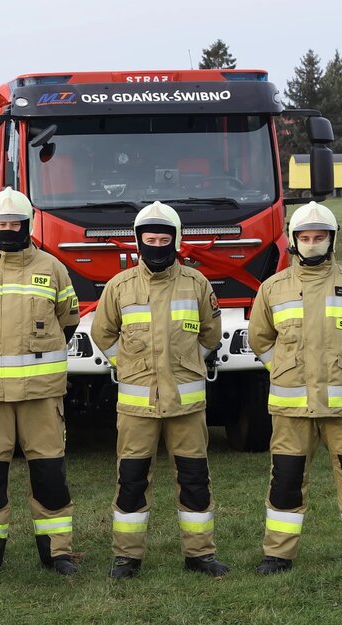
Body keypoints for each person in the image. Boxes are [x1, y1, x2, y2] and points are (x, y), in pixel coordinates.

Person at [91, 202, 229, 579]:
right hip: (137, 409)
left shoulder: (196, 284)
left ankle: (200, 554)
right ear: (138, 242)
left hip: (187, 406)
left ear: (176, 240)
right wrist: (128, 364)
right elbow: (101, 333)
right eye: (149, 239)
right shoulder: (120, 286)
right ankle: (127, 558)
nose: (156, 245)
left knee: (195, 481)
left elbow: (210, 334)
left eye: (163, 238)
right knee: (132, 481)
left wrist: (188, 363)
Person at [0, 187, 80, 576]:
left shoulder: (53, 269)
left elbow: (67, 320)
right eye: (1, 224)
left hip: (42, 396)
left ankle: (58, 552)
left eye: (15, 224)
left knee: (50, 475)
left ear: (28, 225)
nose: (8, 230)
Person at [248, 201, 342, 575]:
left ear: (331, 240)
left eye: (320, 237)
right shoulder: (273, 288)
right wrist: (286, 371)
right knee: (286, 481)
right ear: (293, 241)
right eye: (306, 237)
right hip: (291, 411)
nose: (313, 244)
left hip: (339, 408)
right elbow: (261, 340)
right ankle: (278, 555)